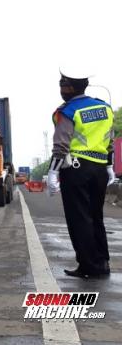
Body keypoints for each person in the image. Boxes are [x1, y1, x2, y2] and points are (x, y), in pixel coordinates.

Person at [47, 67, 115, 278]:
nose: (60, 89)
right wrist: (109, 166)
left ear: (69, 87)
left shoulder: (67, 110)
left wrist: (52, 172)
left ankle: (88, 267)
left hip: (77, 170)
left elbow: (61, 145)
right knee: (96, 216)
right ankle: (102, 263)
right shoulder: (105, 108)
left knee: (80, 219)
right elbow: (109, 140)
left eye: (62, 85)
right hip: (99, 170)